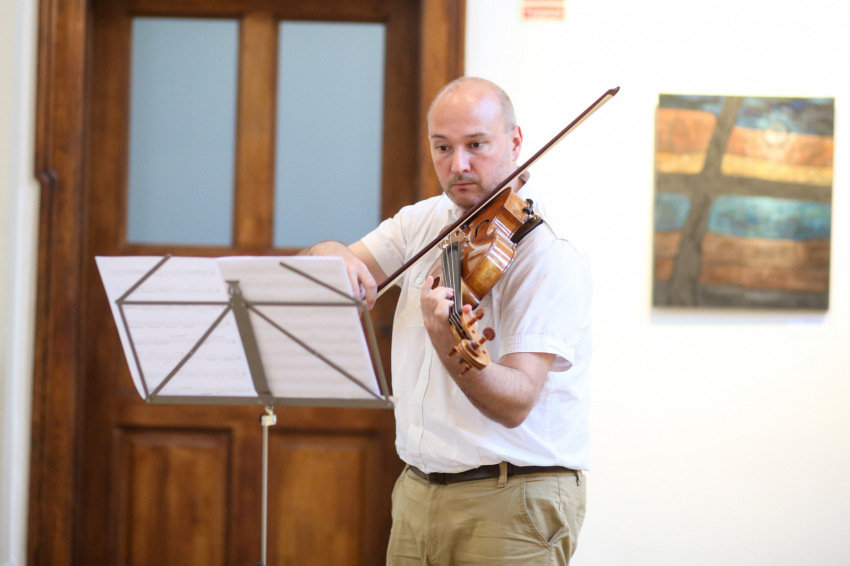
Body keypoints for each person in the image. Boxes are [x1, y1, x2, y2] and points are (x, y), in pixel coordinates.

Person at [305, 77, 591, 565]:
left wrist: (449, 343)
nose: (458, 165)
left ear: (515, 142)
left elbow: (517, 402)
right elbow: (329, 262)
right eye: (443, 147)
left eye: (476, 145)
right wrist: (332, 254)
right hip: (418, 490)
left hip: (511, 499)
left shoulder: (546, 253)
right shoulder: (421, 221)